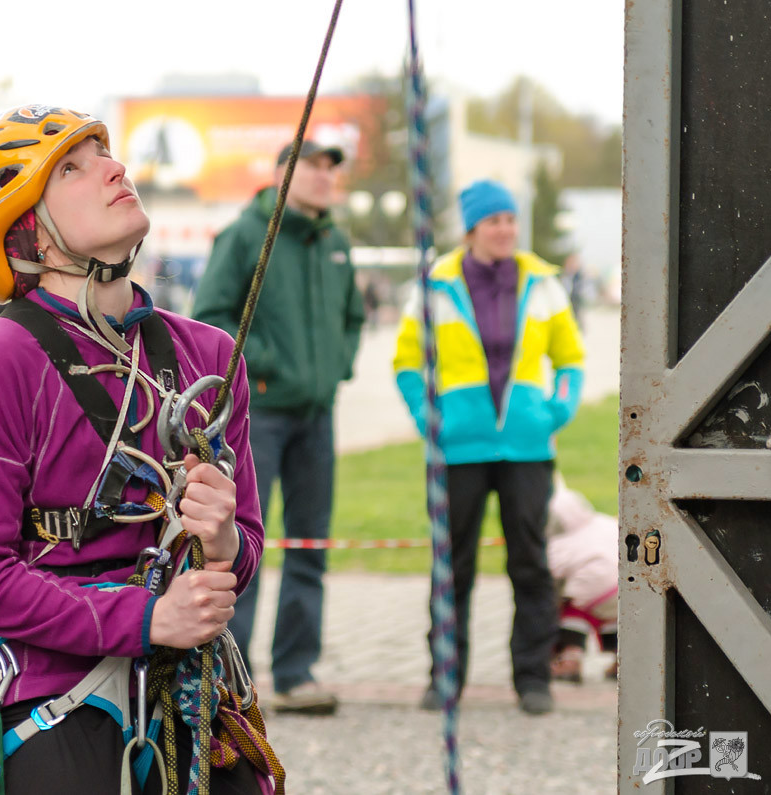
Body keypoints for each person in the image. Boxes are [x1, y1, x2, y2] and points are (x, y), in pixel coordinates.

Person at [0, 105, 276, 792]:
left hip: (191, 686)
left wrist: (225, 542)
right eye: (72, 169)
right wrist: (149, 617)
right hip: (53, 689)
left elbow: (247, 550)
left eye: (104, 155)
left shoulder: (207, 355)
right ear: (29, 233)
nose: (115, 168)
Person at [392, 179, 586, 715]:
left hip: (527, 447)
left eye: (510, 219)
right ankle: (445, 679)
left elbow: (571, 359)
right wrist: (429, 419)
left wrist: (556, 410)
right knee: (453, 566)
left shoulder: (544, 283)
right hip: (459, 448)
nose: (505, 230)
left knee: (530, 562)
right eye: (494, 221)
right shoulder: (435, 284)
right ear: (472, 228)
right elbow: (408, 362)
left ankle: (533, 678)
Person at [193, 140, 364, 716]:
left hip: (318, 416)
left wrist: (334, 367)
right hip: (259, 415)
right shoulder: (247, 234)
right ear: (281, 173)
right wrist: (263, 368)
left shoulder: (335, 242)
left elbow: (353, 317)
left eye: (329, 168)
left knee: (309, 546)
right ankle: (228, 679)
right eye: (311, 166)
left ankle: (295, 672)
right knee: (241, 548)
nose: (323, 177)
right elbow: (212, 314)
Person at [545, 477, 618, 683]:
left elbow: (553, 583)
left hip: (594, 590)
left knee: (573, 608)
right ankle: (621, 661)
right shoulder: (601, 521)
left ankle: (570, 658)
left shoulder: (556, 546)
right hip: (624, 585)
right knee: (613, 616)